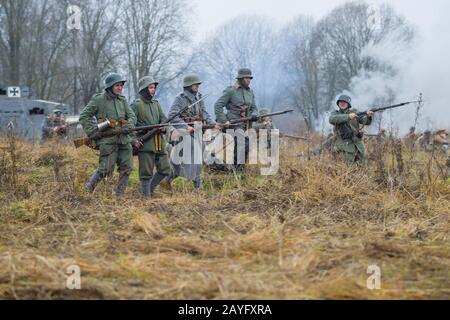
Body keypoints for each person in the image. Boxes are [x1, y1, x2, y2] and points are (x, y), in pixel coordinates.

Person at [79, 73, 136, 198]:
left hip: (124, 139)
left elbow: (132, 116)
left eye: (121, 85)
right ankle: (87, 190)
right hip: (107, 140)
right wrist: (92, 131)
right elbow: (84, 116)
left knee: (127, 168)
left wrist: (129, 125)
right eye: (117, 85)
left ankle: (119, 196)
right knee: (105, 169)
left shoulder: (123, 100)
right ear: (110, 87)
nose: (120, 88)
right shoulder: (98, 99)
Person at [166, 74, 218, 189]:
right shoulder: (180, 99)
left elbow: (204, 113)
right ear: (188, 85)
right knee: (188, 160)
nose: (197, 86)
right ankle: (172, 178)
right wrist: (185, 127)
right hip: (185, 134)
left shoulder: (199, 97)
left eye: (198, 84)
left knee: (197, 158)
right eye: (195, 84)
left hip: (198, 131)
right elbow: (172, 116)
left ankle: (192, 182)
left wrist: (213, 123)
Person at [130, 76, 171, 198]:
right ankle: (146, 196)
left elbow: (163, 118)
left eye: (154, 87)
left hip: (159, 143)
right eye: (151, 87)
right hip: (146, 144)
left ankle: (150, 190)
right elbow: (130, 125)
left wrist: (163, 127)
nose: (153, 90)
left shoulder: (156, 104)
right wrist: (134, 140)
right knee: (146, 173)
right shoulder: (136, 105)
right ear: (144, 89)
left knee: (165, 169)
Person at [214, 68, 258, 171]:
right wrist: (224, 121)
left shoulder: (250, 92)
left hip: (245, 124)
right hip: (233, 123)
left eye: (250, 78)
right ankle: (236, 169)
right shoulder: (231, 90)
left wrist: (254, 115)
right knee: (243, 143)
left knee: (246, 145)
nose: (249, 80)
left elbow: (254, 108)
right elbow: (218, 105)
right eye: (247, 78)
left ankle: (238, 168)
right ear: (241, 78)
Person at [329, 94, 374, 163]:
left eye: (344, 102)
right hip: (344, 145)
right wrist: (348, 116)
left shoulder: (354, 111)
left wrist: (368, 116)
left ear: (348, 104)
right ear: (338, 103)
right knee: (348, 166)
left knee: (363, 164)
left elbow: (364, 120)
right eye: (340, 102)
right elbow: (332, 119)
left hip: (358, 144)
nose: (342, 103)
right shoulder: (335, 113)